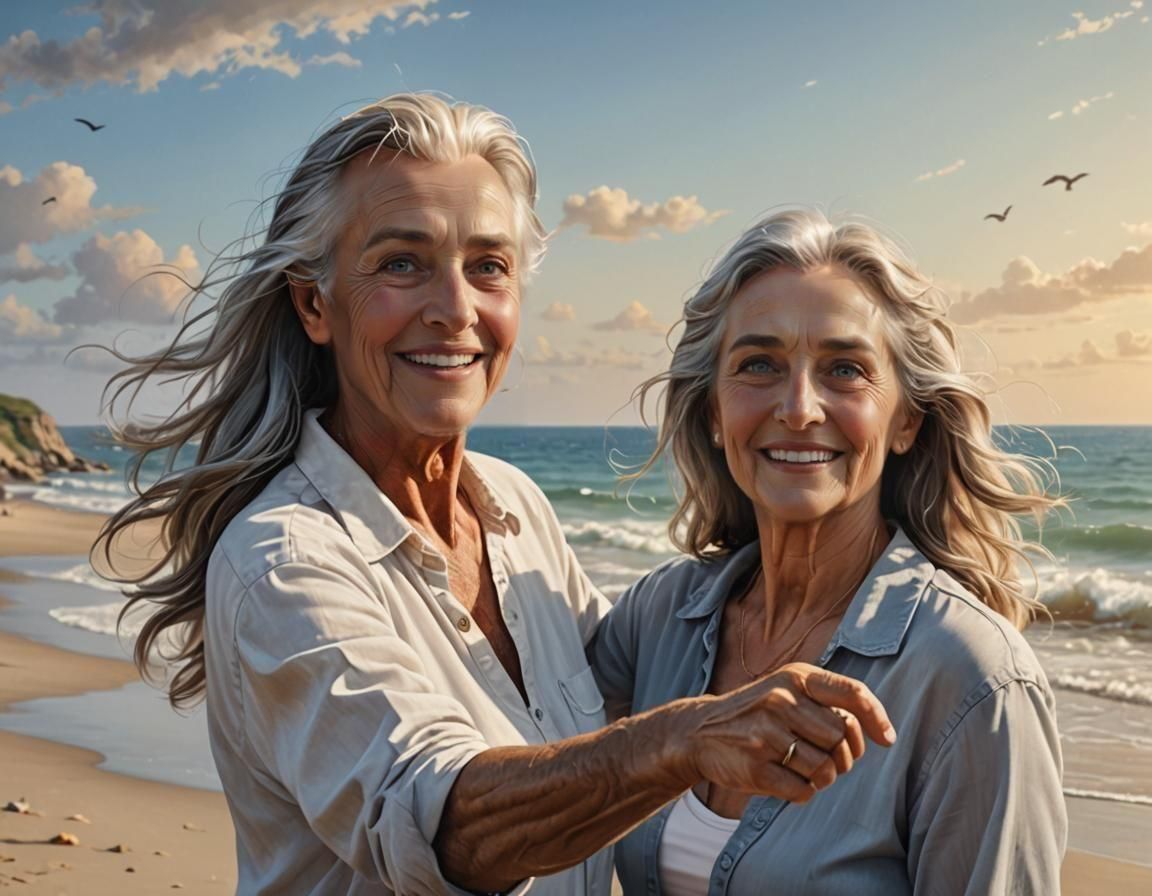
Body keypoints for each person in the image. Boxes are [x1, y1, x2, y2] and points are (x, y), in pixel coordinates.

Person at [95, 96, 897, 895]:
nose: (454, 311)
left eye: (488, 267)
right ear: (315, 304)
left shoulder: (513, 508)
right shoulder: (284, 562)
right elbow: (436, 823)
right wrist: (683, 741)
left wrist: (866, 599)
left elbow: (635, 678)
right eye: (402, 264)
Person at [588, 208, 1067, 894]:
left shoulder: (971, 677)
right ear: (713, 413)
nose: (800, 408)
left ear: (905, 419)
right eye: (759, 364)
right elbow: (535, 796)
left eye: (845, 369)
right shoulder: (655, 620)